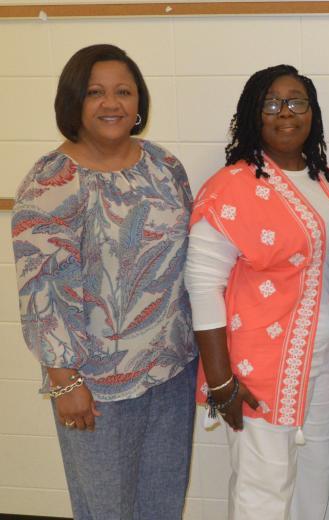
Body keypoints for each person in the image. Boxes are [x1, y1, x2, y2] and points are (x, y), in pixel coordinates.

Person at [12, 44, 197, 519]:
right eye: (95, 92)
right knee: (106, 509)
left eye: (123, 92)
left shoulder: (164, 167)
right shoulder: (51, 180)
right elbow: (41, 289)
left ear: (139, 104)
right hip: (94, 382)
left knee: (162, 504)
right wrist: (63, 378)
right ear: (73, 101)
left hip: (171, 370)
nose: (111, 103)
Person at [185, 64, 329, 520]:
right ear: (253, 114)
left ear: (312, 112)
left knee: (314, 483)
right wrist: (220, 381)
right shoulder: (229, 188)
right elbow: (202, 285)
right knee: (263, 491)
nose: (285, 113)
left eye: (297, 101)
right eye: (272, 103)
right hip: (258, 370)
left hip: (327, 361)